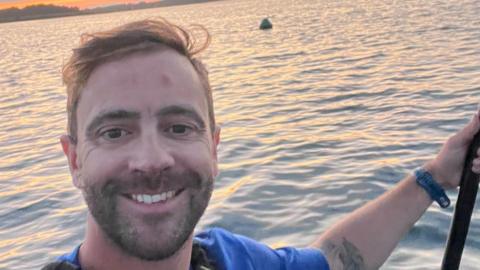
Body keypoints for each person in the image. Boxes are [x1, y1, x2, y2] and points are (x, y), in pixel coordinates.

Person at [42, 18, 480, 270]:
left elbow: (334, 260)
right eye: (115, 132)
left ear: (214, 148)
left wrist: (437, 175)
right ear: (75, 159)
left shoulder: (230, 259)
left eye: (179, 127)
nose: (152, 159)